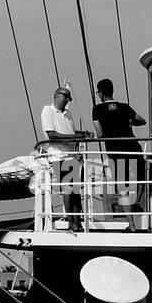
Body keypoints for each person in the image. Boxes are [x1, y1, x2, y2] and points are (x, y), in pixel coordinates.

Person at [92, 77, 146, 218]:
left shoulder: (97, 110)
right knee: (141, 177)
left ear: (101, 93)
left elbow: (100, 134)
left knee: (123, 186)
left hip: (116, 150)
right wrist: (128, 121)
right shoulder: (124, 107)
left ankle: (130, 221)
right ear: (112, 91)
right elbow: (142, 121)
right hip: (133, 147)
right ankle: (138, 202)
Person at [40, 85, 89, 230]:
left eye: (69, 97)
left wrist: (81, 134)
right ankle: (71, 220)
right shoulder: (48, 110)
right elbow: (52, 134)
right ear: (57, 96)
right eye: (65, 96)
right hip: (58, 154)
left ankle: (77, 220)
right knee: (68, 188)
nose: (67, 100)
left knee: (75, 191)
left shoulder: (67, 114)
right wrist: (75, 136)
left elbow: (69, 132)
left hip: (70, 155)